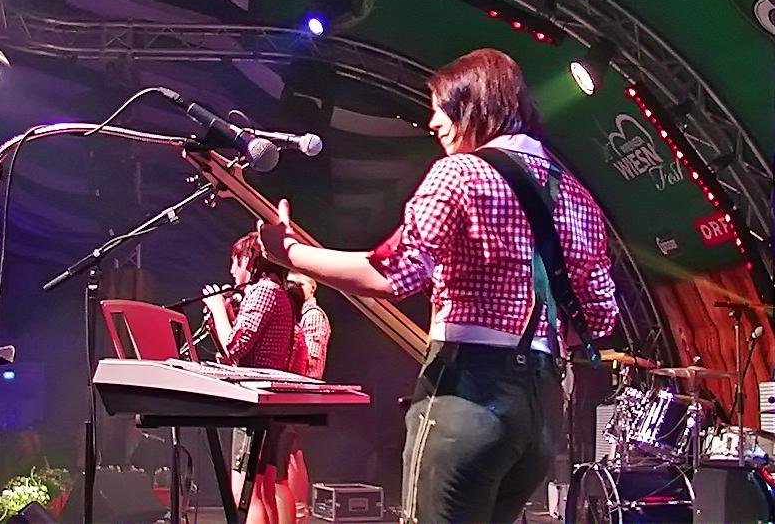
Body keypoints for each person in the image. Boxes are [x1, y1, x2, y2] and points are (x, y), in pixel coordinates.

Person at [256, 48, 618, 522]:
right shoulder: (578, 196)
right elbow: (600, 317)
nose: (432, 123)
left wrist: (288, 253)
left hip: (467, 393)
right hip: (542, 412)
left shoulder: (460, 173)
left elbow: (395, 273)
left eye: (441, 109)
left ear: (473, 107)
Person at [202, 232, 302, 524]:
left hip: (254, 402)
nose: (232, 270)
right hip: (267, 401)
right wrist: (223, 316)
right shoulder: (275, 291)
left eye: (235, 261)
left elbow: (234, 347)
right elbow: (238, 348)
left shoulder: (263, 291)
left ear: (249, 259)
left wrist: (218, 309)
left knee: (244, 492)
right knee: (262, 488)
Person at [284, 272, 332, 522]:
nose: (293, 287)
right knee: (291, 452)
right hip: (298, 393)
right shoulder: (301, 315)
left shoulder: (312, 316)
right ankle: (296, 510)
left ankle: (299, 510)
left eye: (299, 284)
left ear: (312, 288)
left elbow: (310, 360)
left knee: (291, 452)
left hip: (303, 392)